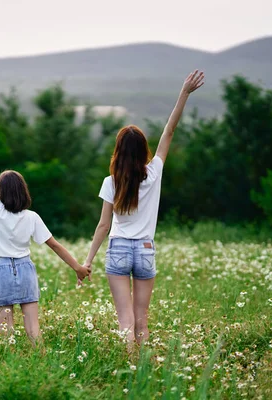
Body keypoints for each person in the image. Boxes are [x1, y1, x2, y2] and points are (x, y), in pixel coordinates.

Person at [83, 70, 205, 346]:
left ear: (118, 151)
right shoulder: (154, 173)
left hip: (118, 249)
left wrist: (88, 261)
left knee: (124, 320)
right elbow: (169, 130)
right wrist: (184, 93)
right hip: (146, 249)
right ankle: (142, 373)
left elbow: (103, 225)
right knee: (141, 320)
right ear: (143, 150)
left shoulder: (110, 182)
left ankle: (129, 370)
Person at [0, 131, 91, 344]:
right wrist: (78, 267)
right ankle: (40, 360)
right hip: (25, 270)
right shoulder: (32, 217)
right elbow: (54, 245)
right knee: (34, 329)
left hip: (2, 270)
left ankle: (10, 366)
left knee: (6, 330)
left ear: (2, 192)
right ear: (23, 191)